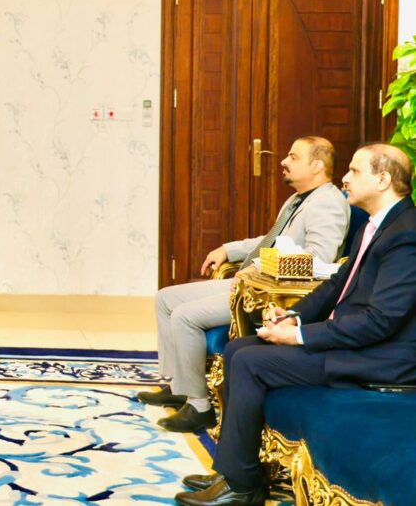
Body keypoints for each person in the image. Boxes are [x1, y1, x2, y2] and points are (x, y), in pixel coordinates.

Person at [175, 143, 416, 506]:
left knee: (250, 361)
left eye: (354, 171)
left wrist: (300, 336)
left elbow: (381, 322)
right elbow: (336, 285)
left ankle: (241, 486)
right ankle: (235, 470)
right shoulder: (376, 225)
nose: (345, 178)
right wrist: (295, 316)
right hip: (357, 342)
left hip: (381, 359)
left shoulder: (406, 236)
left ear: (383, 180)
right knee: (238, 348)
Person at [138, 136, 349, 433]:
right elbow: (272, 239)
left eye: (293, 157)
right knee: (165, 298)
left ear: (316, 166)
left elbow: (318, 260)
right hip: (252, 282)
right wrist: (229, 250)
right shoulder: (298, 199)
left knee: (185, 316)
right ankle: (180, 386)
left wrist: (258, 269)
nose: (283, 161)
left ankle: (199, 407)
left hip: (272, 294)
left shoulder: (328, 203)